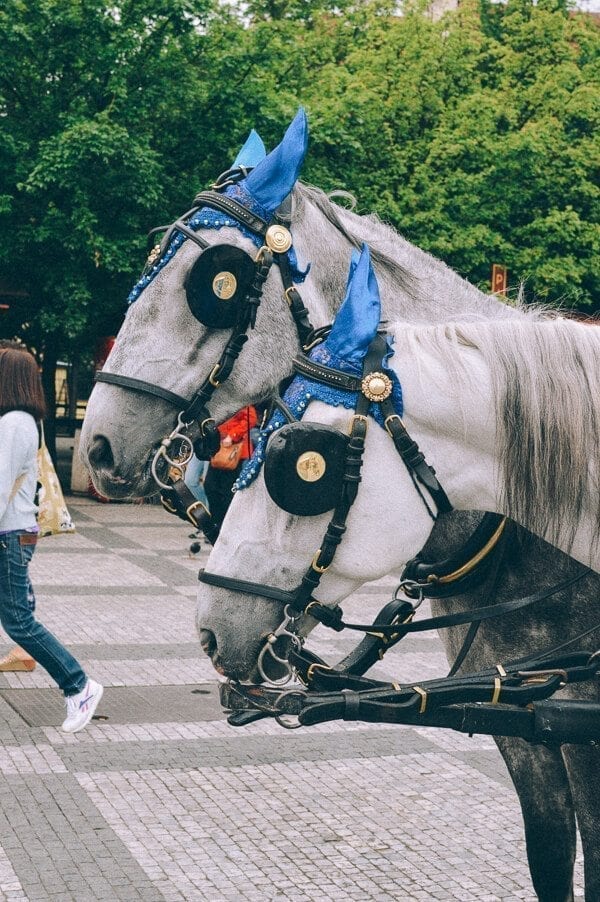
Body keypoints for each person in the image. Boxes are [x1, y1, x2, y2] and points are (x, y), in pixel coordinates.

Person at [0, 345, 103, 732]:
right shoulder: (24, 420)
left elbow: (1, 484)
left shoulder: (13, 422)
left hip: (8, 533)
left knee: (20, 624)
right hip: (14, 532)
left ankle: (79, 686)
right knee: (18, 617)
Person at [204, 405, 258, 532]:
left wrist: (232, 435)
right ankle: (218, 523)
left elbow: (251, 417)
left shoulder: (239, 400)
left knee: (226, 491)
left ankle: (226, 526)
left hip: (233, 450)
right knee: (211, 487)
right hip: (219, 447)